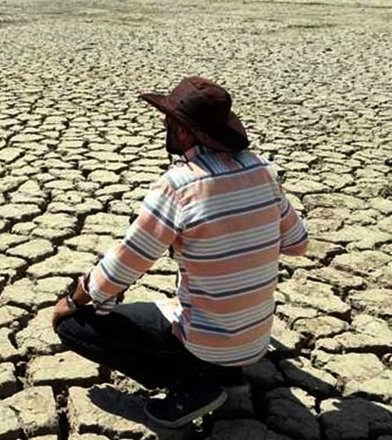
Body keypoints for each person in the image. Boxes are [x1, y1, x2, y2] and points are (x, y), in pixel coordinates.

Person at [52, 76, 309, 428]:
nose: (165, 129)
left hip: (205, 342)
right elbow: (298, 243)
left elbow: (126, 263)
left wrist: (75, 298)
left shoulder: (180, 185)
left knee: (74, 328)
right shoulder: (264, 171)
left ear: (185, 132)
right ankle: (229, 377)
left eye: (169, 123)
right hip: (255, 341)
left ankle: (190, 385)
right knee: (192, 304)